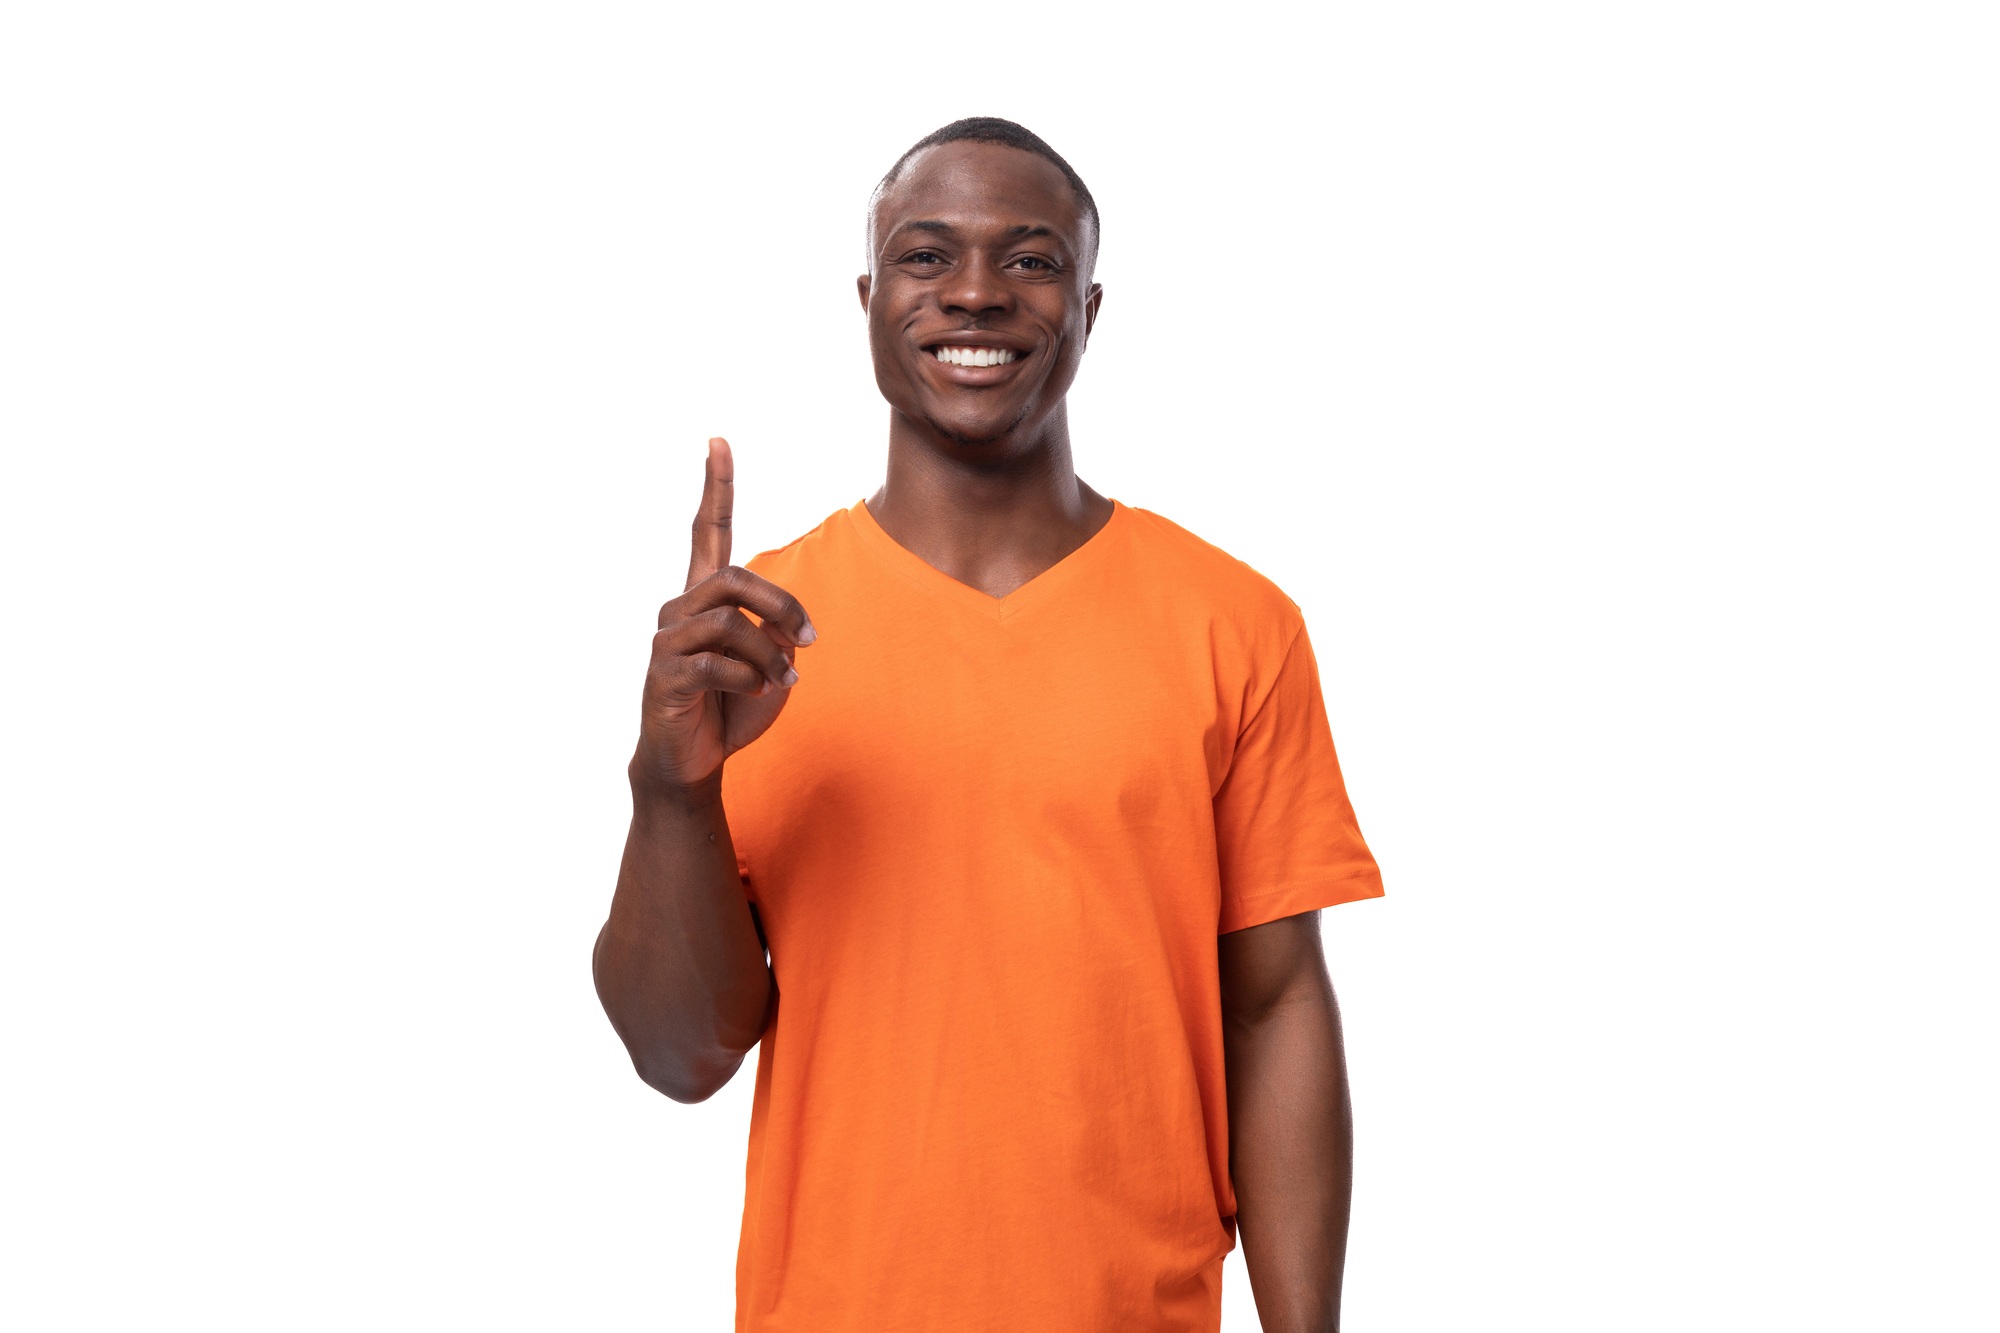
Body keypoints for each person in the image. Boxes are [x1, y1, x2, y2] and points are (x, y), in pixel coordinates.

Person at [592, 117, 1384, 1333]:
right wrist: (671, 790)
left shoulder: (1234, 623)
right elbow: (678, 1055)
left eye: (1030, 259)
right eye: (925, 257)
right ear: (866, 299)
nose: (975, 291)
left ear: (1089, 307)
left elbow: (1274, 1005)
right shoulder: (752, 641)